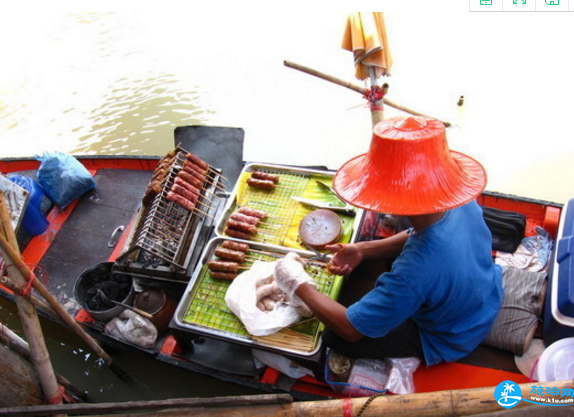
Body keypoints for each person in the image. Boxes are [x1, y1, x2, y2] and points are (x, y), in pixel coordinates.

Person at [274, 116, 503, 366]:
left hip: (450, 335)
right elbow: (418, 235)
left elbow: (350, 329)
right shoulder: (458, 200)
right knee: (405, 230)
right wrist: (361, 249)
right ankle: (390, 303)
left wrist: (297, 283)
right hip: (483, 294)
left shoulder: (414, 272)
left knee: (334, 336)